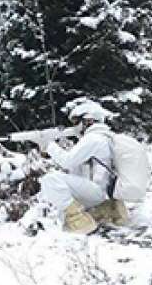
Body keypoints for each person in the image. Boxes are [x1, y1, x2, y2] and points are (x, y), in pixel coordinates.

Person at [34, 100, 127, 234]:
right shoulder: (104, 137)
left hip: (96, 191)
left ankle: (79, 222)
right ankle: (107, 210)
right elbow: (75, 168)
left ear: (89, 120)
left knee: (50, 180)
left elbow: (67, 161)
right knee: (61, 183)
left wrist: (49, 145)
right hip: (104, 190)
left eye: (77, 122)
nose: (75, 127)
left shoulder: (93, 139)